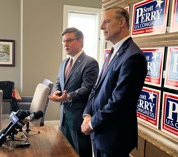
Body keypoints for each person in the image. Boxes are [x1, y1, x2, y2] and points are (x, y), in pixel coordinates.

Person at [81, 6, 147, 157]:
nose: (101, 26)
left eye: (106, 21)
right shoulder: (112, 52)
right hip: (100, 132)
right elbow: (96, 89)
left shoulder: (133, 56)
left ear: (122, 22)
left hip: (114, 138)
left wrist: (91, 123)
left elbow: (120, 101)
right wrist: (87, 114)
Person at [49, 27, 99, 157]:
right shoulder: (64, 62)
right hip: (64, 116)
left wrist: (68, 97)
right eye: (64, 41)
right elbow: (58, 83)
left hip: (78, 117)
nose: (65, 44)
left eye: (69, 40)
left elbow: (87, 88)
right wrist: (56, 92)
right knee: (65, 151)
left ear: (80, 41)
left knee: (81, 152)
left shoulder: (90, 62)